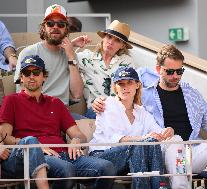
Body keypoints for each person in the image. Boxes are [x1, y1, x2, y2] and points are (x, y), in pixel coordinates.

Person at [93, 45, 207, 189]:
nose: (175, 76)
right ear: (158, 69)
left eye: (179, 71)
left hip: (193, 153)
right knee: (175, 140)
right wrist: (99, 100)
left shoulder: (192, 94)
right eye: (170, 71)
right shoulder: (145, 94)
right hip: (164, 153)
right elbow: (121, 93)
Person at [0, 55, 115, 189]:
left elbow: (79, 135)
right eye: (26, 73)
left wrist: (76, 141)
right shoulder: (11, 100)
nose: (31, 76)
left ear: (44, 77)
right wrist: (36, 147)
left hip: (64, 155)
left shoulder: (55, 103)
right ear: (21, 77)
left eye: (36, 72)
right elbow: (6, 138)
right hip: (34, 156)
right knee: (66, 170)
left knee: (107, 168)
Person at [89, 66, 172, 189]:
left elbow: (157, 132)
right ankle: (159, 186)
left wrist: (168, 131)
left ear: (137, 85)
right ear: (115, 87)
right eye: (120, 83)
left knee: (150, 143)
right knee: (142, 144)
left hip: (131, 158)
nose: (124, 87)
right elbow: (117, 139)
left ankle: (160, 186)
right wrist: (144, 138)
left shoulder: (140, 111)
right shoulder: (108, 105)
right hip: (101, 156)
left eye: (129, 82)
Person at [14, 4, 84, 106]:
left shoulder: (70, 56)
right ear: (43, 27)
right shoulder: (28, 53)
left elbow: (77, 94)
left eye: (60, 24)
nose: (55, 27)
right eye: (50, 23)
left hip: (61, 111)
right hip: (35, 109)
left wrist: (71, 56)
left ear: (66, 29)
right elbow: (21, 92)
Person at [77, 20, 135, 119]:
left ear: (123, 45)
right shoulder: (87, 58)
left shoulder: (127, 62)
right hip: (96, 111)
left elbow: (131, 90)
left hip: (120, 112)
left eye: (117, 40)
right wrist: (73, 44)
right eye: (109, 37)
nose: (111, 42)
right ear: (103, 38)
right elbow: (61, 56)